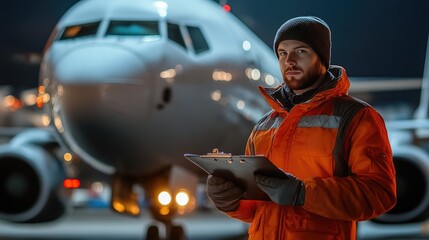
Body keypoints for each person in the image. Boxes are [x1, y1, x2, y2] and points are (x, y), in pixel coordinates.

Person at [206, 16, 396, 240]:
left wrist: (303, 193)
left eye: (301, 51)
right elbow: (258, 207)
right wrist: (230, 200)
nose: (290, 61)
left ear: (322, 58)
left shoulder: (356, 117)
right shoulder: (265, 124)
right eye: (283, 53)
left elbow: (379, 193)